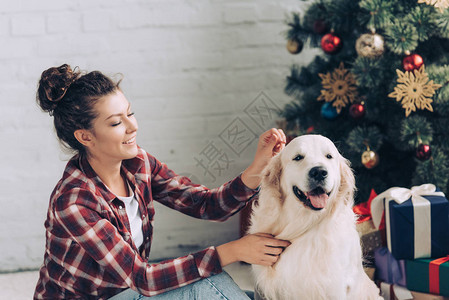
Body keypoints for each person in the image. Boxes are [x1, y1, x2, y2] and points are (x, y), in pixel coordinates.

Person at [33, 64, 290, 300]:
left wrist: (258, 167)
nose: (131, 126)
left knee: (260, 294)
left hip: (129, 293)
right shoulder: (74, 202)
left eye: (130, 113)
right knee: (208, 283)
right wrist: (234, 251)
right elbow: (143, 278)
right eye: (115, 122)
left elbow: (205, 205)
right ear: (85, 137)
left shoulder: (138, 164)